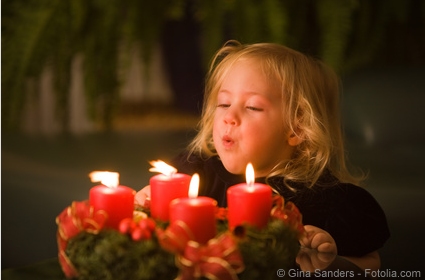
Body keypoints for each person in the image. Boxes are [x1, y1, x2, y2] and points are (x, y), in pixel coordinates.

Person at [136, 40, 390, 271]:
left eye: (252, 107)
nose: (229, 117)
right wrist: (147, 206)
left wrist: (330, 259)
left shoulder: (329, 202)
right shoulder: (191, 176)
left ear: (297, 128)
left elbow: (371, 266)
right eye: (223, 103)